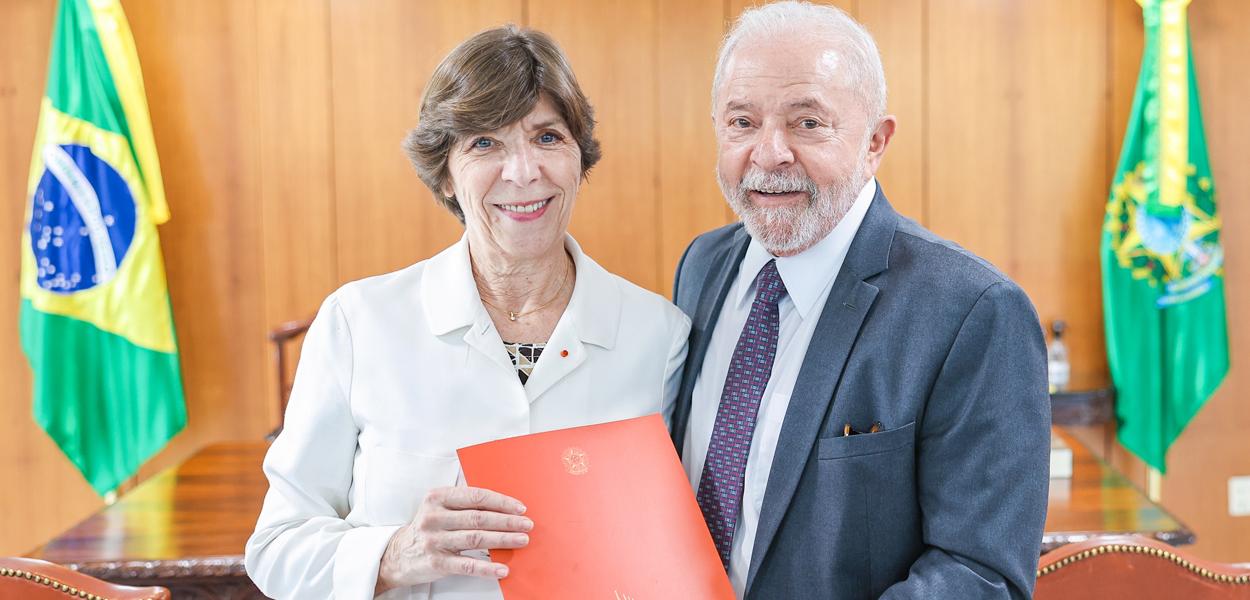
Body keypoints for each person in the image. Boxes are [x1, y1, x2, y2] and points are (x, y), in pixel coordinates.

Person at [245, 26, 690, 600]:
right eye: (484, 143)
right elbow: (275, 547)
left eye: (547, 136)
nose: (523, 172)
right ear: (445, 174)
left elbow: (678, 545)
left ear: (580, 157)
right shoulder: (358, 323)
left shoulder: (658, 336)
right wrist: (396, 553)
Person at [670, 3, 1050, 599]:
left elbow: (980, 574)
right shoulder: (702, 265)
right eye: (742, 122)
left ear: (875, 141)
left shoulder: (974, 311)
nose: (769, 153)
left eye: (807, 123)